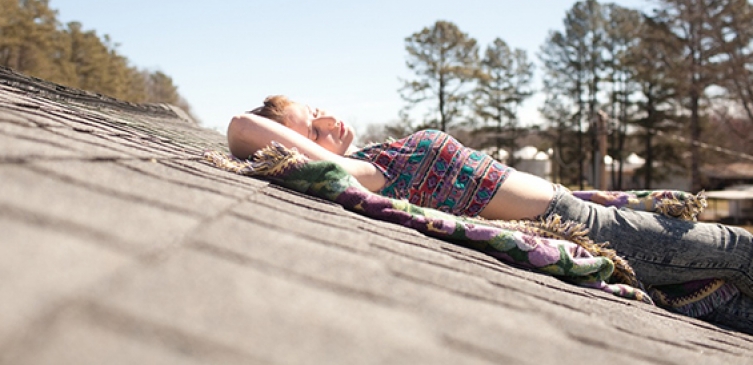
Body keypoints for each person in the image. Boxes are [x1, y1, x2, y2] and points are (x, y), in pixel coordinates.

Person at [228, 95, 753, 334]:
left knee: (732, 305)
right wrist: (306, 145)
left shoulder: (374, 156)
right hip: (598, 231)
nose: (327, 120)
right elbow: (241, 128)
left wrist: (311, 132)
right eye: (311, 128)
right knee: (739, 249)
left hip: (584, 212)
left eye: (317, 109)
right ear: (298, 148)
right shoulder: (365, 175)